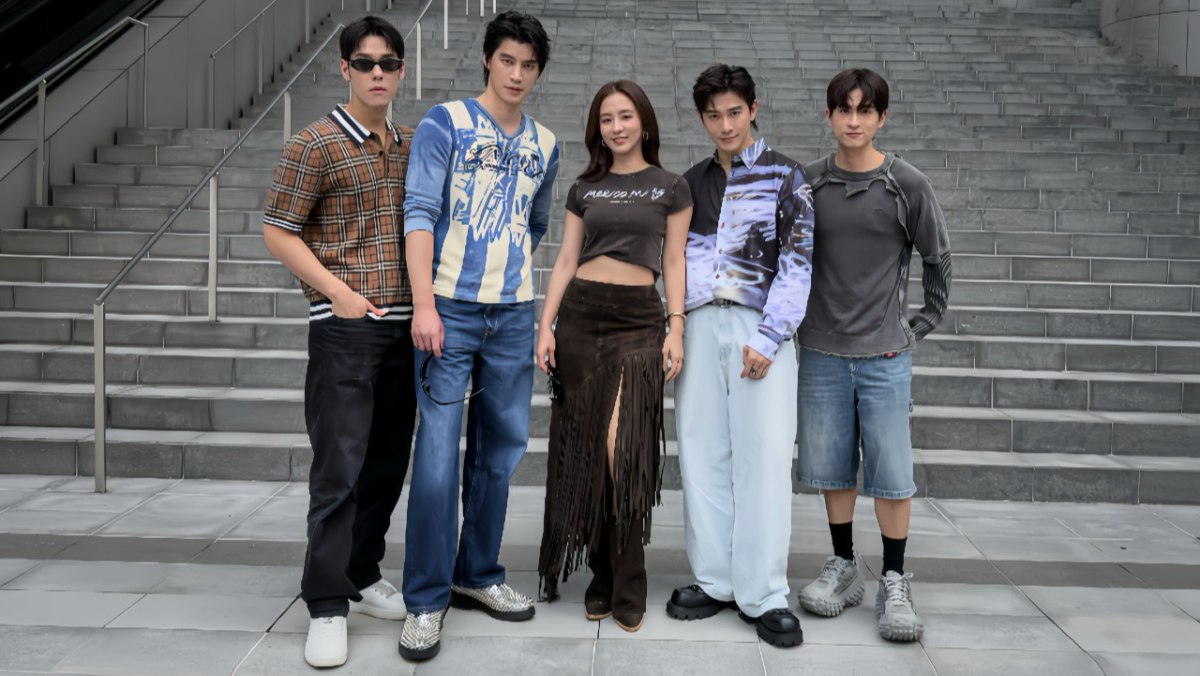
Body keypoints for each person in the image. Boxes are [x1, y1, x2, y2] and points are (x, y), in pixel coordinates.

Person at [398, 10, 558, 662]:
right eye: (507, 60)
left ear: (538, 72)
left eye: (528, 65)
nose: (516, 74)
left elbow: (536, 223)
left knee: (501, 452)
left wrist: (505, 275)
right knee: (437, 457)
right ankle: (425, 599)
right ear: (488, 59)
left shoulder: (546, 143)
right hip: (448, 310)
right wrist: (425, 304)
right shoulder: (445, 122)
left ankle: (478, 573)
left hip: (513, 315)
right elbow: (419, 211)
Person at [261, 16, 414, 669]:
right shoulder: (314, 143)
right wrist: (337, 293)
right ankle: (326, 602)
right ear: (345, 69)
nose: (378, 72)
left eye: (388, 62)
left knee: (387, 461)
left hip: (407, 327)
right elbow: (278, 229)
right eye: (365, 62)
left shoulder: (412, 144)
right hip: (344, 326)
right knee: (339, 468)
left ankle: (361, 570)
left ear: (401, 70)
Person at [795, 68, 951, 643]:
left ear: (881, 117)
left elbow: (938, 258)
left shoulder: (907, 183)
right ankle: (842, 567)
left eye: (865, 110)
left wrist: (920, 323)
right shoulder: (807, 183)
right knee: (832, 467)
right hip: (821, 352)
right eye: (845, 109)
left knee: (892, 473)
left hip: (885, 355)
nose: (854, 120)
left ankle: (893, 579)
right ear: (829, 115)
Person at [665, 64, 813, 648]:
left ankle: (765, 593)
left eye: (734, 112)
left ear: (753, 108)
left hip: (759, 326)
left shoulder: (786, 176)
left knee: (765, 457)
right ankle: (714, 580)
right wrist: (675, 326)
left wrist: (770, 336)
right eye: (713, 115)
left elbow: (798, 263)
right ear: (701, 118)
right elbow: (673, 261)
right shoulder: (689, 183)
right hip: (699, 324)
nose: (725, 125)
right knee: (701, 454)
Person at [535, 80, 691, 633]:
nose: (617, 126)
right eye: (606, 119)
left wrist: (676, 326)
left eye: (625, 116)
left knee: (621, 449)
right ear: (597, 129)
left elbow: (674, 262)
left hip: (636, 321)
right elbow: (565, 259)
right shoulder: (585, 188)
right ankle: (600, 576)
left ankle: (629, 582)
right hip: (581, 316)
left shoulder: (671, 187)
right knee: (586, 450)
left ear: (644, 122)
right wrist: (546, 325)